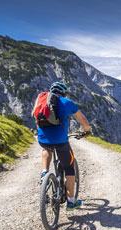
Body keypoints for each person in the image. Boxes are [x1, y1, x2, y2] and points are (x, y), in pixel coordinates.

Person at [34, 81, 91, 210]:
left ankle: (45, 173)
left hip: (43, 138)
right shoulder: (67, 102)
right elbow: (83, 120)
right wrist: (87, 131)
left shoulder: (41, 101)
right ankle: (71, 201)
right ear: (64, 93)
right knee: (69, 168)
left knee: (46, 148)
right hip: (61, 141)